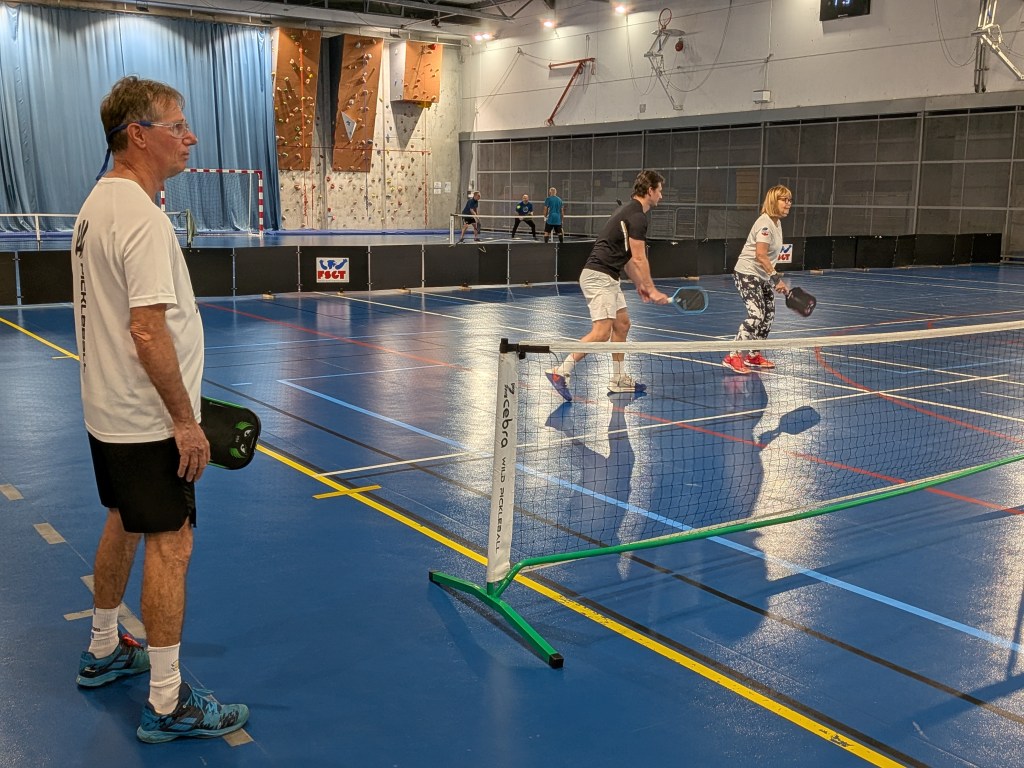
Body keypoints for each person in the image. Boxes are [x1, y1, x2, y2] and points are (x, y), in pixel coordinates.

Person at [73, 76, 249, 744]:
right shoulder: (142, 219)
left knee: (124, 519)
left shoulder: (97, 204)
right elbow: (147, 332)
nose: (190, 137)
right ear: (138, 135)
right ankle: (169, 702)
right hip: (148, 422)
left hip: (107, 413)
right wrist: (184, 421)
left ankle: (102, 648)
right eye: (178, 126)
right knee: (171, 546)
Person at [544, 170, 670, 401]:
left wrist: (639, 284)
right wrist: (652, 289)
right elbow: (640, 258)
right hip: (598, 276)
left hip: (609, 276)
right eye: (659, 191)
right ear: (650, 191)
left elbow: (628, 258)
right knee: (601, 333)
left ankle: (618, 379)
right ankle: (560, 371)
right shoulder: (637, 217)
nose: (661, 196)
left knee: (622, 324)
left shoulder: (630, 212)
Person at [722, 185, 793, 375]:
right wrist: (776, 279)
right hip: (746, 273)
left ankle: (753, 355)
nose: (788, 204)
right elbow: (761, 255)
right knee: (756, 315)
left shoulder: (777, 223)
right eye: (784, 200)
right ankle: (733, 356)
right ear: (773, 201)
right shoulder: (765, 224)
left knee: (768, 315)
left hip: (761, 276)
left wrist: (771, 277)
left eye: (789, 200)